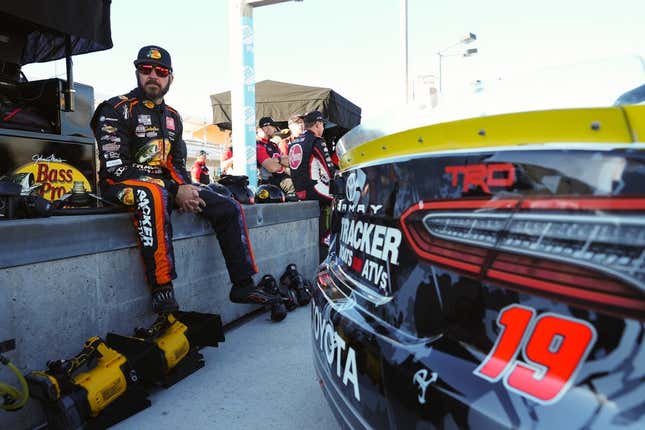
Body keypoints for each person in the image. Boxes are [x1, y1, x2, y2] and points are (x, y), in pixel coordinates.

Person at [90, 45, 278, 314]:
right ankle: (161, 288)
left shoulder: (173, 117)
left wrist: (185, 188)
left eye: (161, 71)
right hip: (119, 185)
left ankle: (243, 284)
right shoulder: (115, 109)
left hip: (166, 187)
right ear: (137, 72)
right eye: (146, 69)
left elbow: (176, 165)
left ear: (170, 77)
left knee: (227, 202)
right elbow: (114, 167)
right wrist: (172, 189)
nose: (153, 75)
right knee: (153, 195)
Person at [288, 111, 334, 249]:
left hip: (298, 190)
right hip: (312, 189)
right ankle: (328, 236)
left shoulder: (294, 141)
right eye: (323, 125)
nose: (323, 128)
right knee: (339, 198)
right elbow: (329, 169)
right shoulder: (316, 140)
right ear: (318, 124)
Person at [256, 116, 295, 194]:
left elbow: (288, 162)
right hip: (268, 182)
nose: (276, 130)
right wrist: (280, 161)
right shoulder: (258, 145)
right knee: (294, 186)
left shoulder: (273, 145)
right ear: (265, 128)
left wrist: (276, 161)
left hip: (281, 178)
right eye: (273, 127)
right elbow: (272, 168)